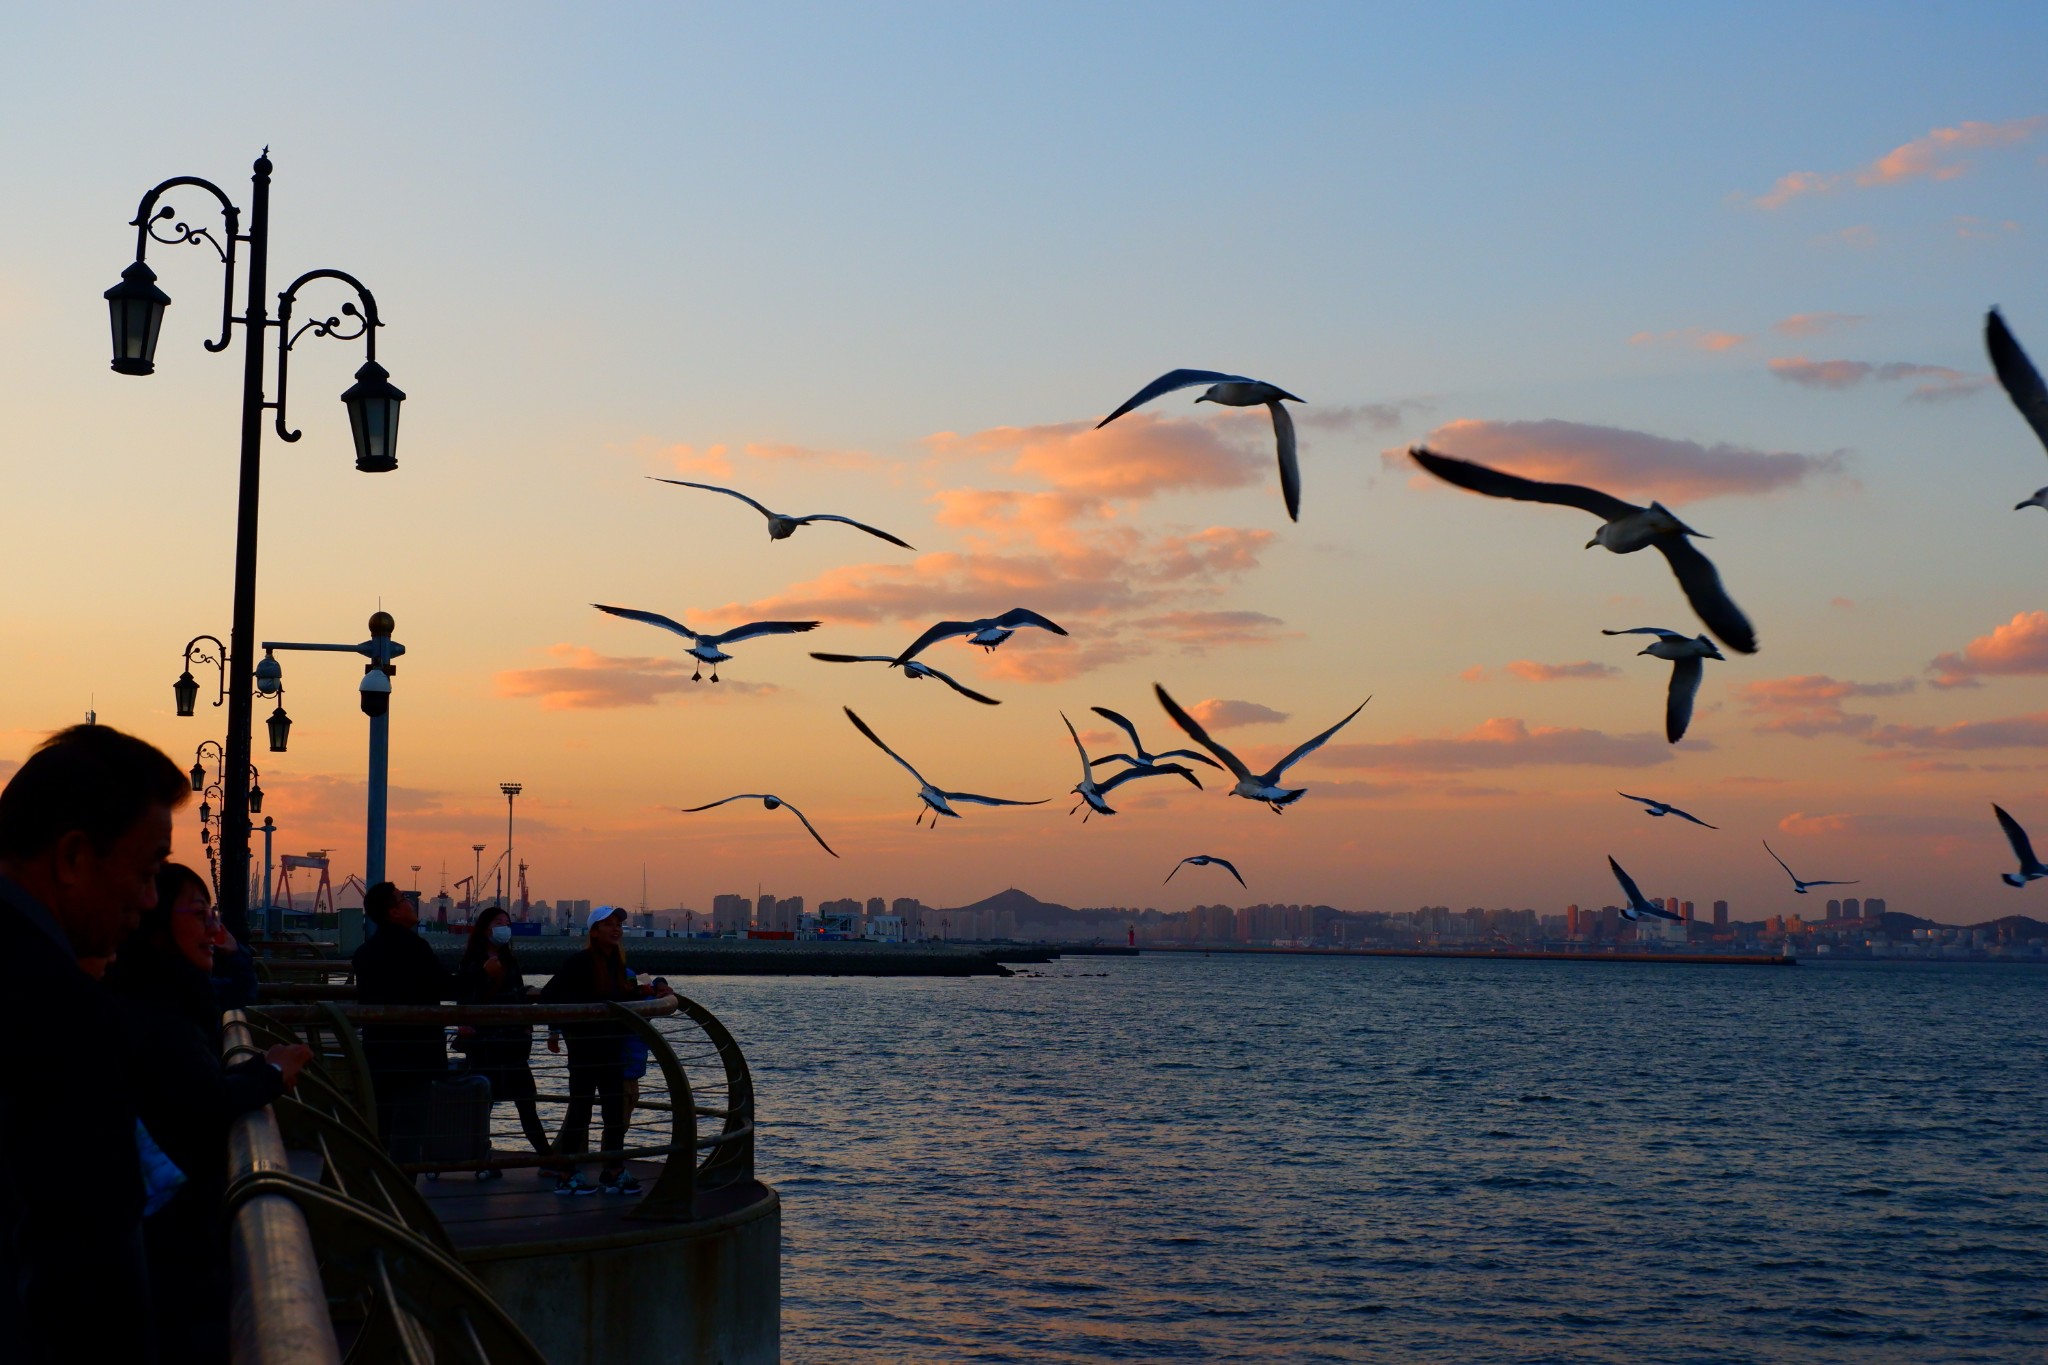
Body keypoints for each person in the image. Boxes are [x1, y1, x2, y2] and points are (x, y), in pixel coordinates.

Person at [0, 723, 188, 1362]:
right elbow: (92, 1264)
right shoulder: (61, 1010)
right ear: (74, 858)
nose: (149, 899)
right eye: (147, 869)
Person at [107, 863, 312, 1364]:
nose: (215, 930)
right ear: (154, 923)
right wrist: (269, 1076)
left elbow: (194, 1089)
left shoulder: (148, 999)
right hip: (171, 1252)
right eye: (200, 914)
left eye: (214, 915)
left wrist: (257, 1072)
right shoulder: (157, 1017)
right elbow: (201, 1101)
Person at [539, 905, 671, 1195]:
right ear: (594, 931)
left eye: (618, 924)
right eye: (608, 924)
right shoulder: (580, 962)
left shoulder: (615, 964)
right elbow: (550, 995)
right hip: (586, 1048)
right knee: (581, 1111)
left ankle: (612, 1171)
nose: (616, 929)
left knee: (612, 1112)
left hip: (612, 1048)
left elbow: (625, 991)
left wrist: (648, 990)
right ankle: (568, 1174)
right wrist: (567, 1024)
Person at [350, 881, 453, 1162]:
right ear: (394, 913)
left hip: (379, 1052)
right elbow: (445, 987)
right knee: (409, 1132)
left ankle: (376, 1192)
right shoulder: (415, 947)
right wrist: (484, 975)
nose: (410, 902)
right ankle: (403, 1197)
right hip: (416, 1055)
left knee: (380, 1128)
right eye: (403, 899)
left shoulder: (364, 954)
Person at [454, 906, 550, 1171]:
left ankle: (547, 1157)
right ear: (486, 928)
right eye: (499, 922)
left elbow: (518, 996)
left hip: (511, 1044)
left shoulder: (510, 961)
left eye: (507, 922)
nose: (504, 927)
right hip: (486, 1044)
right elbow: (466, 998)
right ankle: (483, 1158)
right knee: (486, 1103)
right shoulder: (473, 963)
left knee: (524, 1101)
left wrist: (526, 1027)